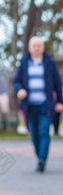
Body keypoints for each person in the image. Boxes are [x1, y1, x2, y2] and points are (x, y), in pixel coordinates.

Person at [13, 36, 63, 172]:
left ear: (43, 47)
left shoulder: (49, 63)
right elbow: (17, 81)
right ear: (30, 48)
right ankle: (40, 157)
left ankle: (42, 159)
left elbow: (58, 84)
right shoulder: (24, 62)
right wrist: (20, 90)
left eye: (39, 45)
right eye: (34, 45)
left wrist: (60, 101)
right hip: (29, 106)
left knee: (43, 132)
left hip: (46, 105)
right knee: (34, 134)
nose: (37, 48)